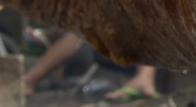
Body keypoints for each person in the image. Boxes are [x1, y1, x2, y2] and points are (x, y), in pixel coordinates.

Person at [22, 28, 158, 101]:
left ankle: (144, 78)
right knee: (80, 31)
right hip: (111, 51)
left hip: (153, 55)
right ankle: (28, 81)